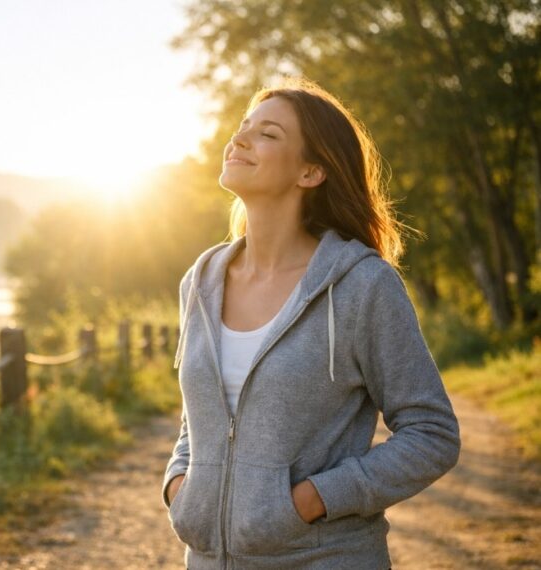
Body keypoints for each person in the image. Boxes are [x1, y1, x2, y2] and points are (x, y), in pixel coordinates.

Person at [161, 76, 461, 570]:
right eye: (244, 127)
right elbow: (204, 418)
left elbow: (432, 433)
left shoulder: (362, 286)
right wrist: (180, 485)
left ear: (311, 171)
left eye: (269, 134)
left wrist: (313, 500)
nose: (239, 139)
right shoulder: (200, 281)